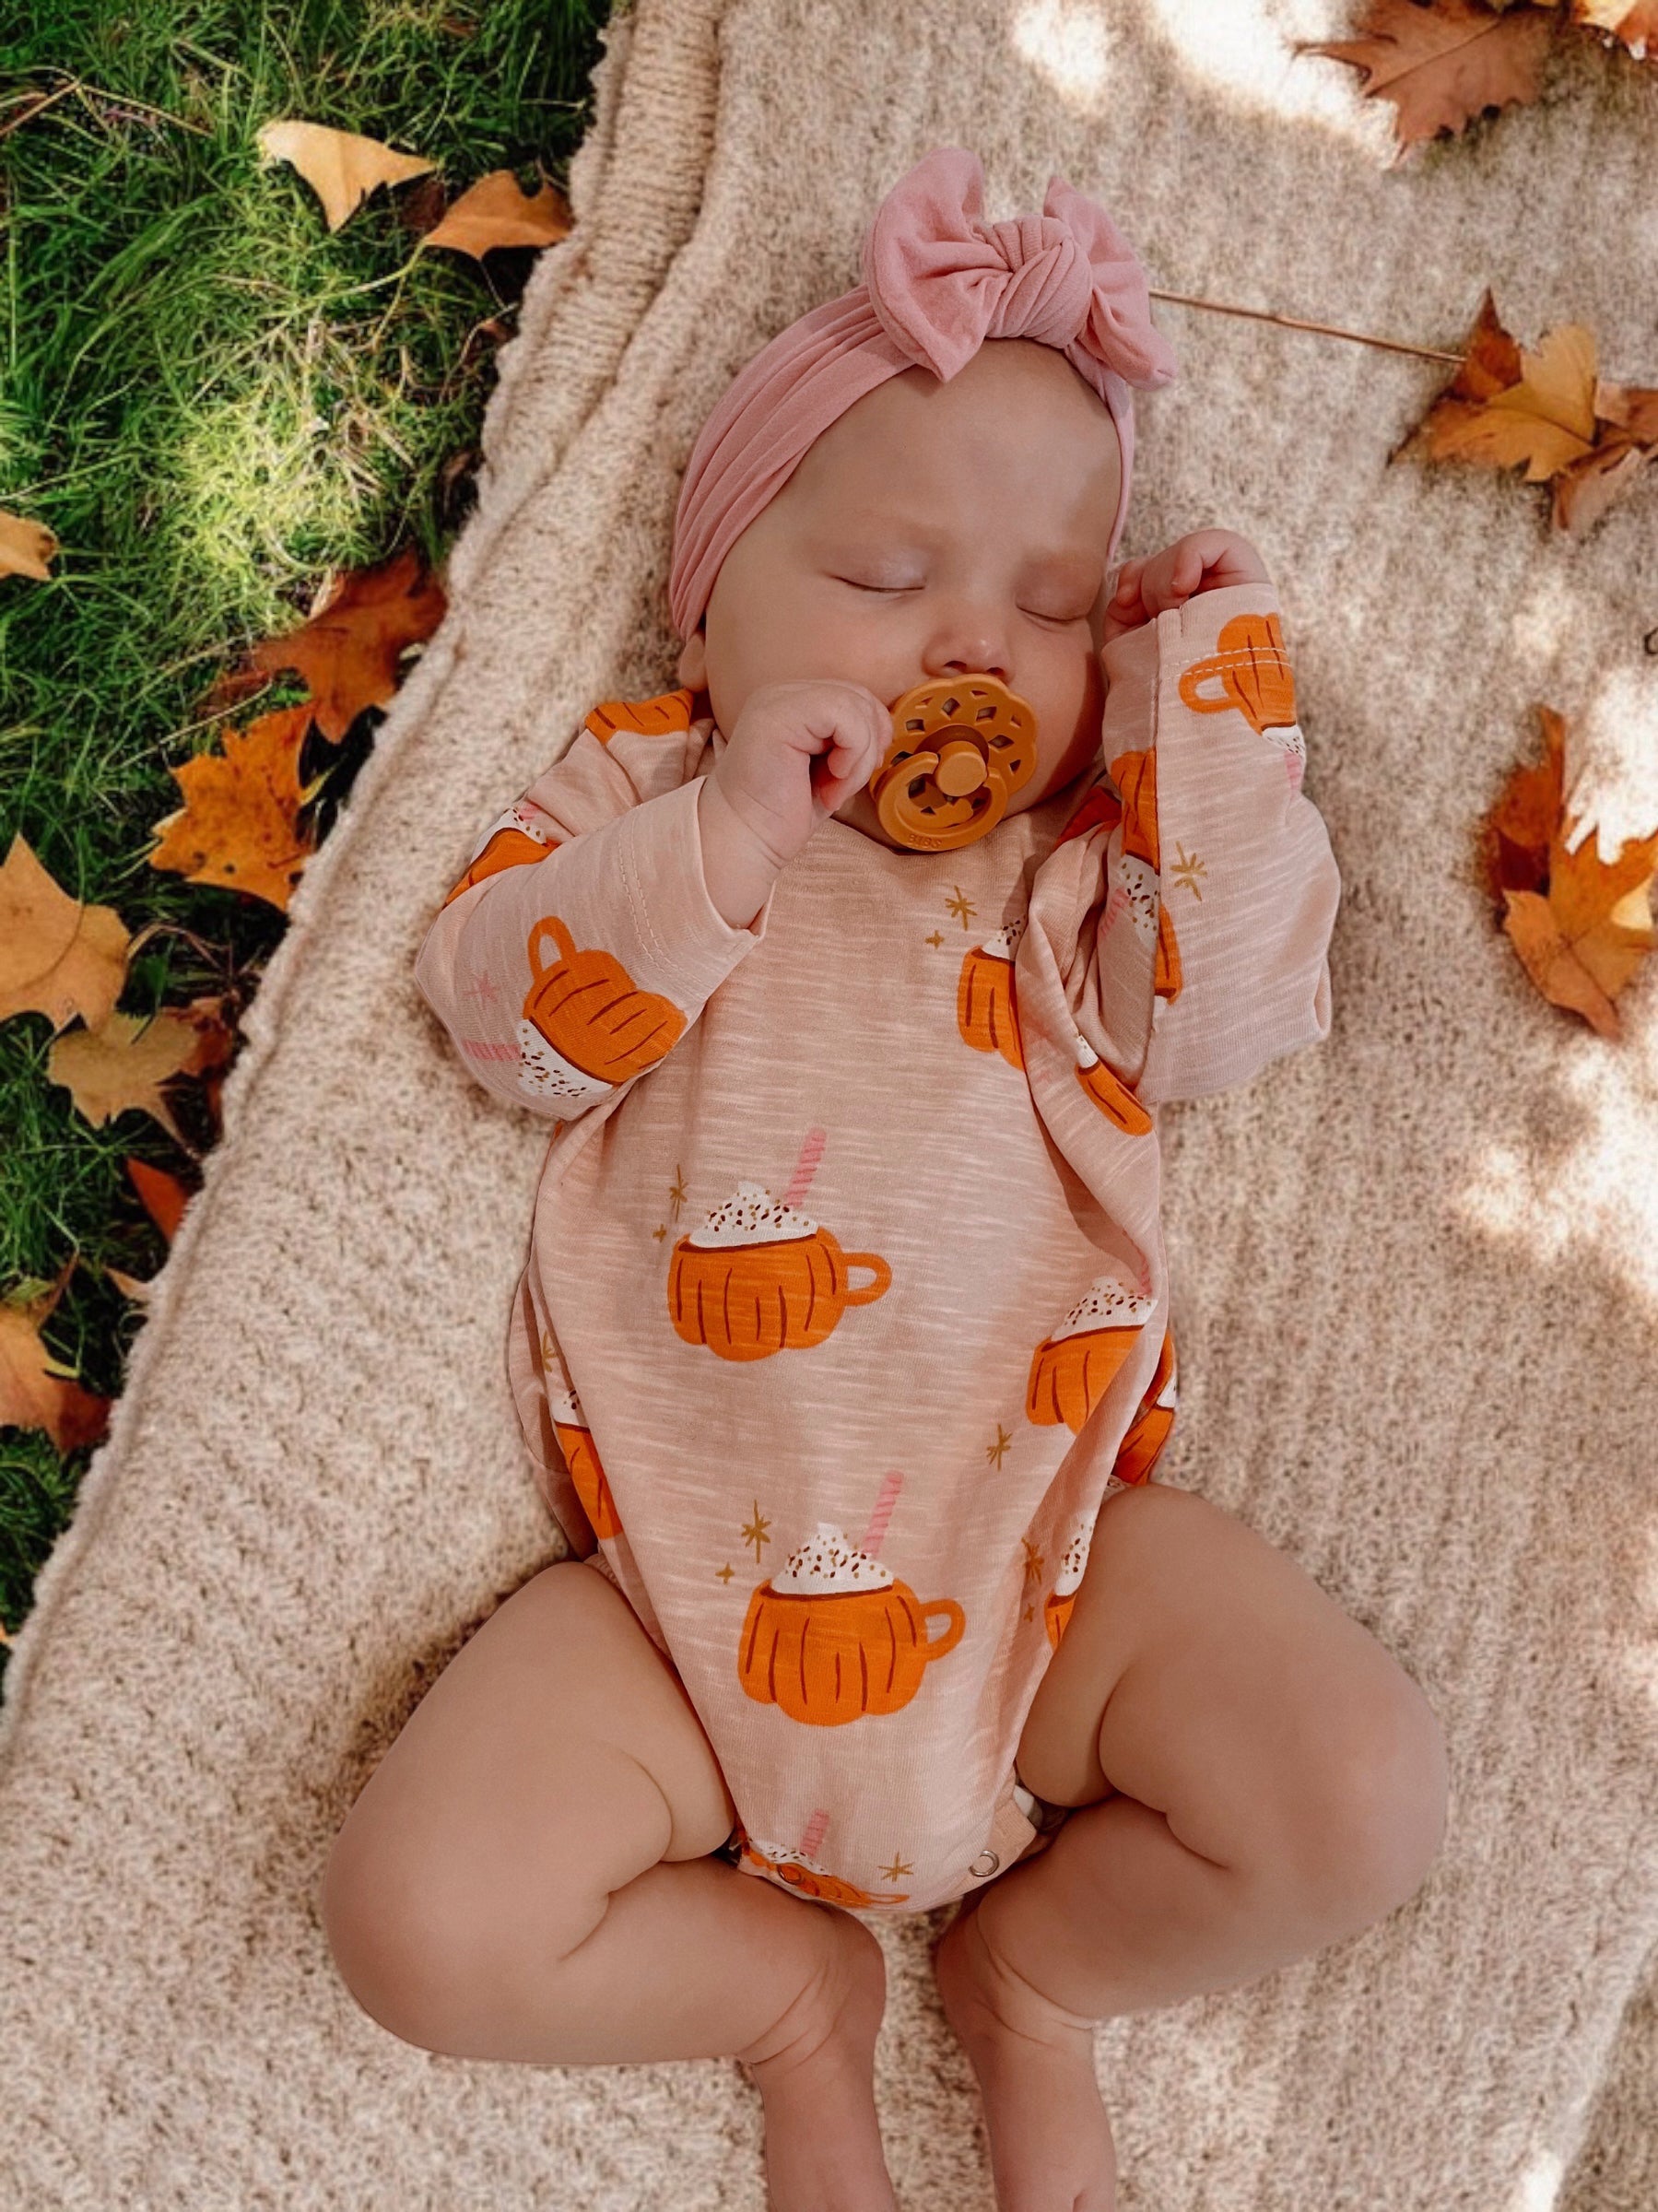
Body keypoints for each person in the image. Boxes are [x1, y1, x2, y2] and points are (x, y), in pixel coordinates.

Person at [320, 146, 1449, 2212]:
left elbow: (1231, 1018)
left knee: (1358, 1797)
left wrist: (1208, 732)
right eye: (878, 580)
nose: (967, 652)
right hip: (675, 1590)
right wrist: (728, 834)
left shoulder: (1071, 871)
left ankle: (1033, 1986)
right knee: (421, 1922)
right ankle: (785, 2003)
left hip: (1050, 1552)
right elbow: (498, 1020)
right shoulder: (646, 790)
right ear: (715, 588)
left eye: (1043, 608)